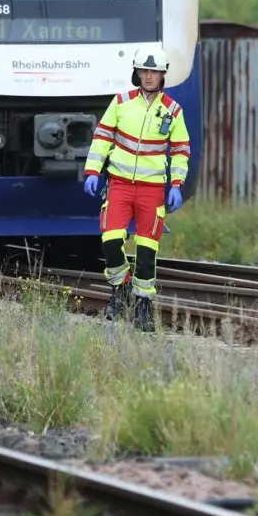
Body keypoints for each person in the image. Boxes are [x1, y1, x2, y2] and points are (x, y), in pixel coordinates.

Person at [83, 46, 192, 329]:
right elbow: (102, 137)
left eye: (154, 71)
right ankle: (120, 286)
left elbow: (180, 150)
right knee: (110, 241)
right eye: (144, 70)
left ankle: (143, 306)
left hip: (152, 189)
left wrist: (177, 185)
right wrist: (93, 170)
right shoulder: (120, 102)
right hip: (119, 184)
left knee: (146, 251)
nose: (149, 76)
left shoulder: (173, 111)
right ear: (137, 72)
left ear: (163, 74)